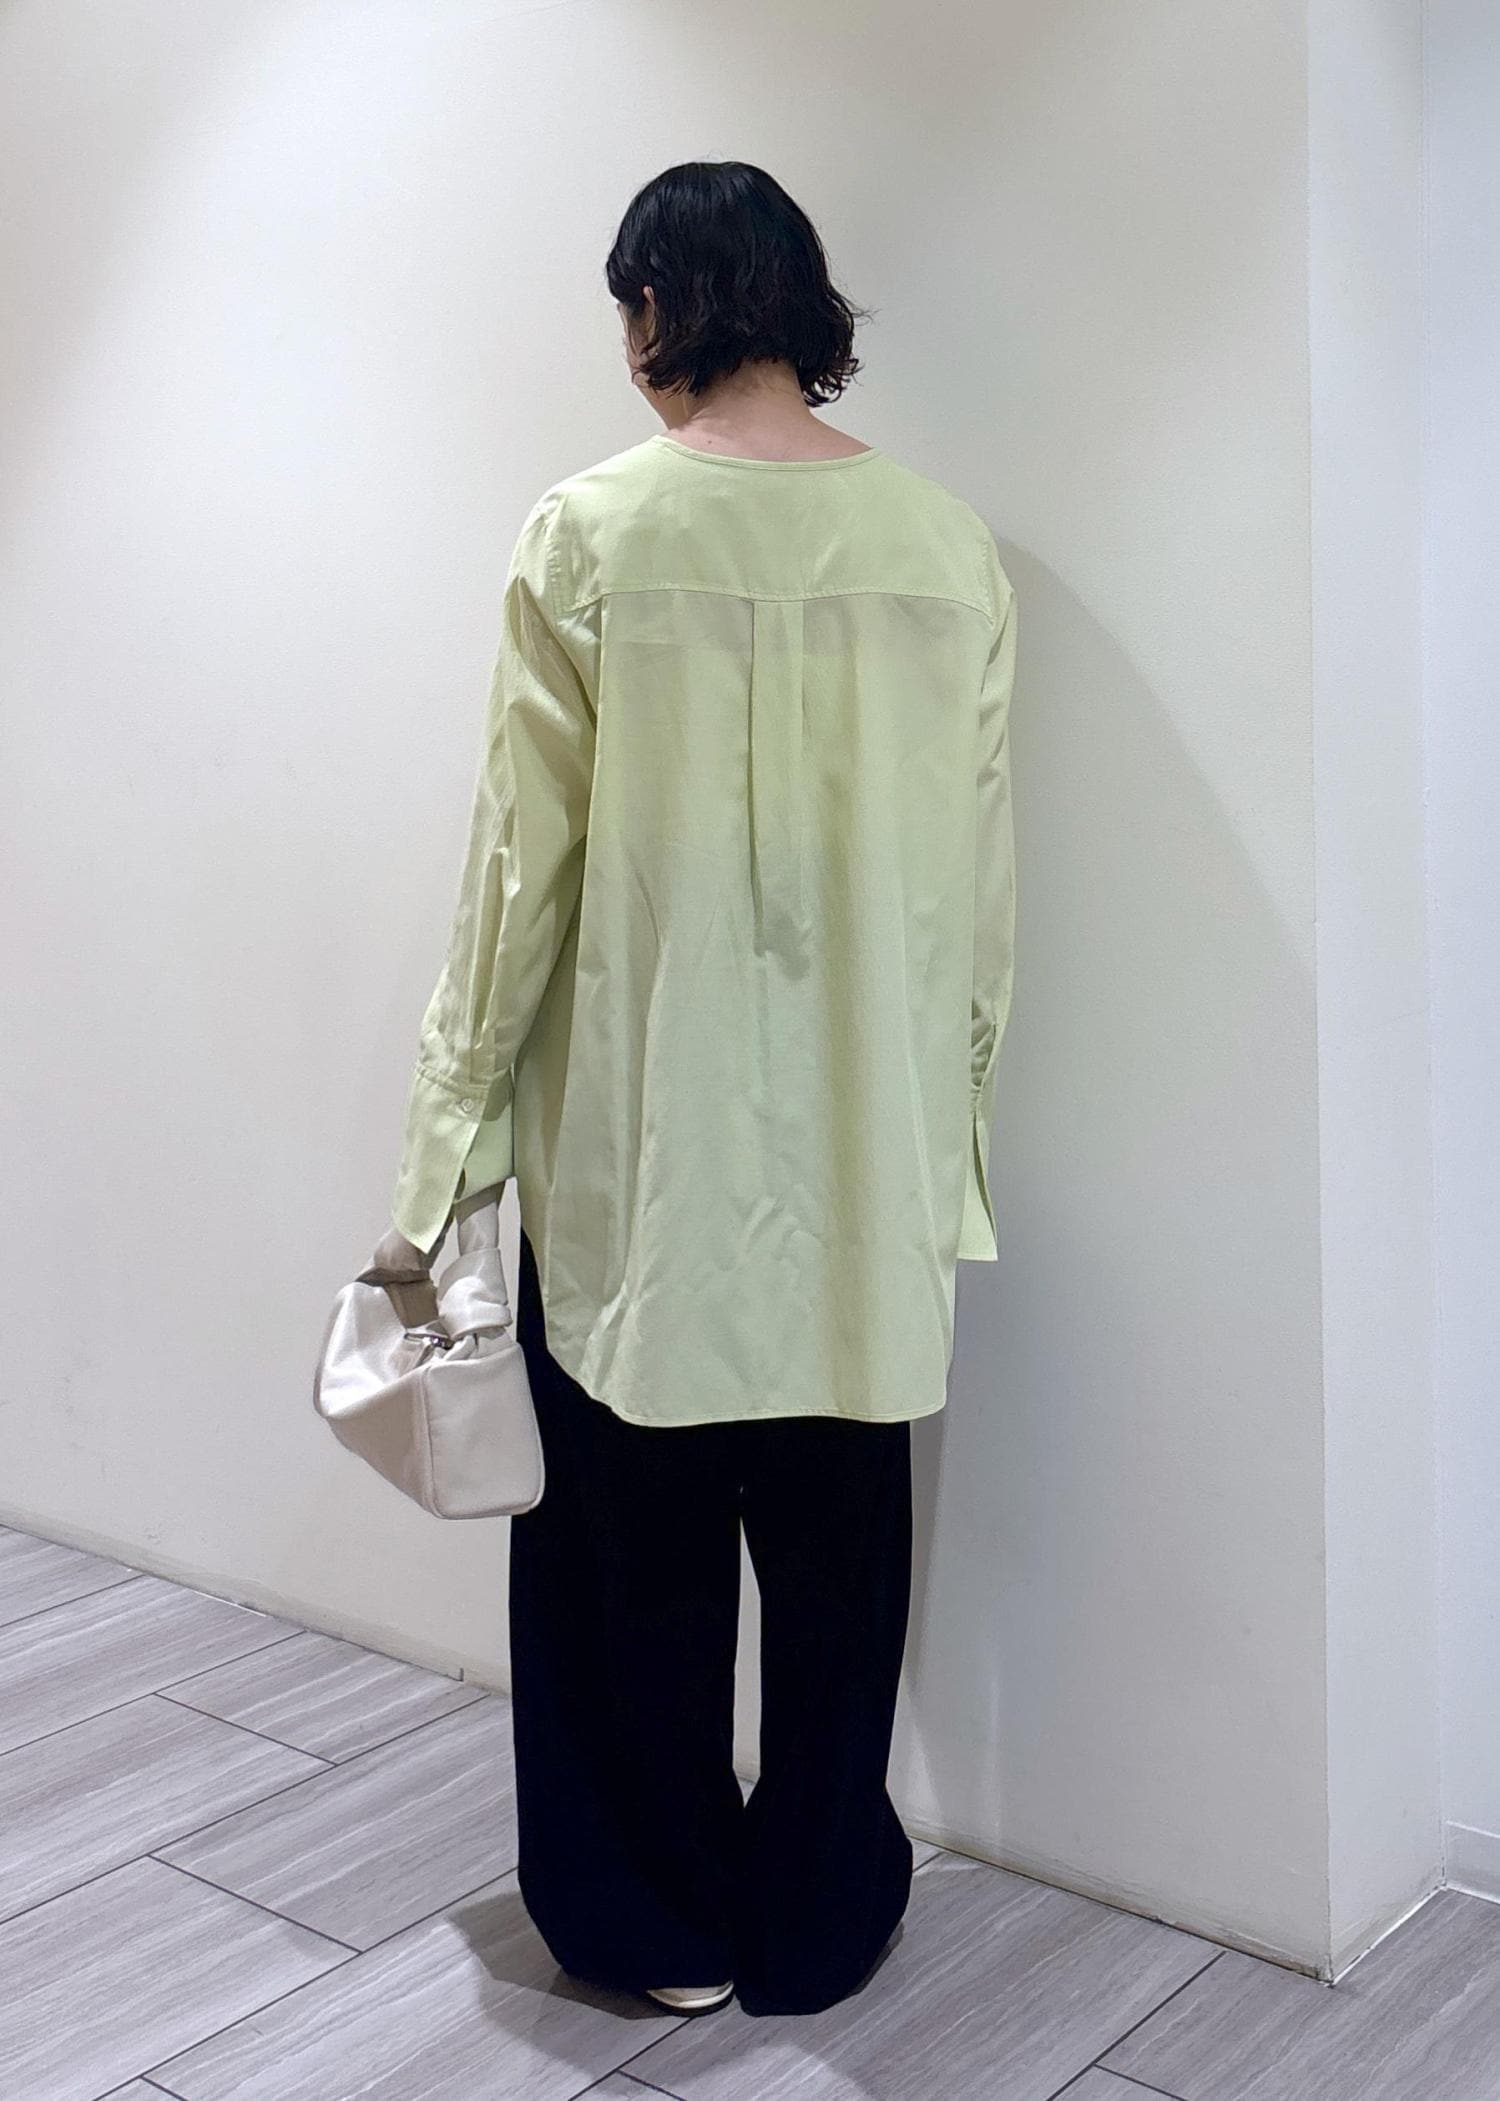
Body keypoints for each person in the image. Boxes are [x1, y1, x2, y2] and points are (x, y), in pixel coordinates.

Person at [369, 160, 1018, 2020]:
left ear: (659, 307)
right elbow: (977, 898)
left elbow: (521, 876)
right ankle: (815, 1916)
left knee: (622, 1568)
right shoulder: (945, 548)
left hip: (639, 1161)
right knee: (839, 1565)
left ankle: (656, 1921)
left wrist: (447, 1139)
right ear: (800, 306)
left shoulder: (589, 536)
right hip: (866, 1163)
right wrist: (951, 1133)